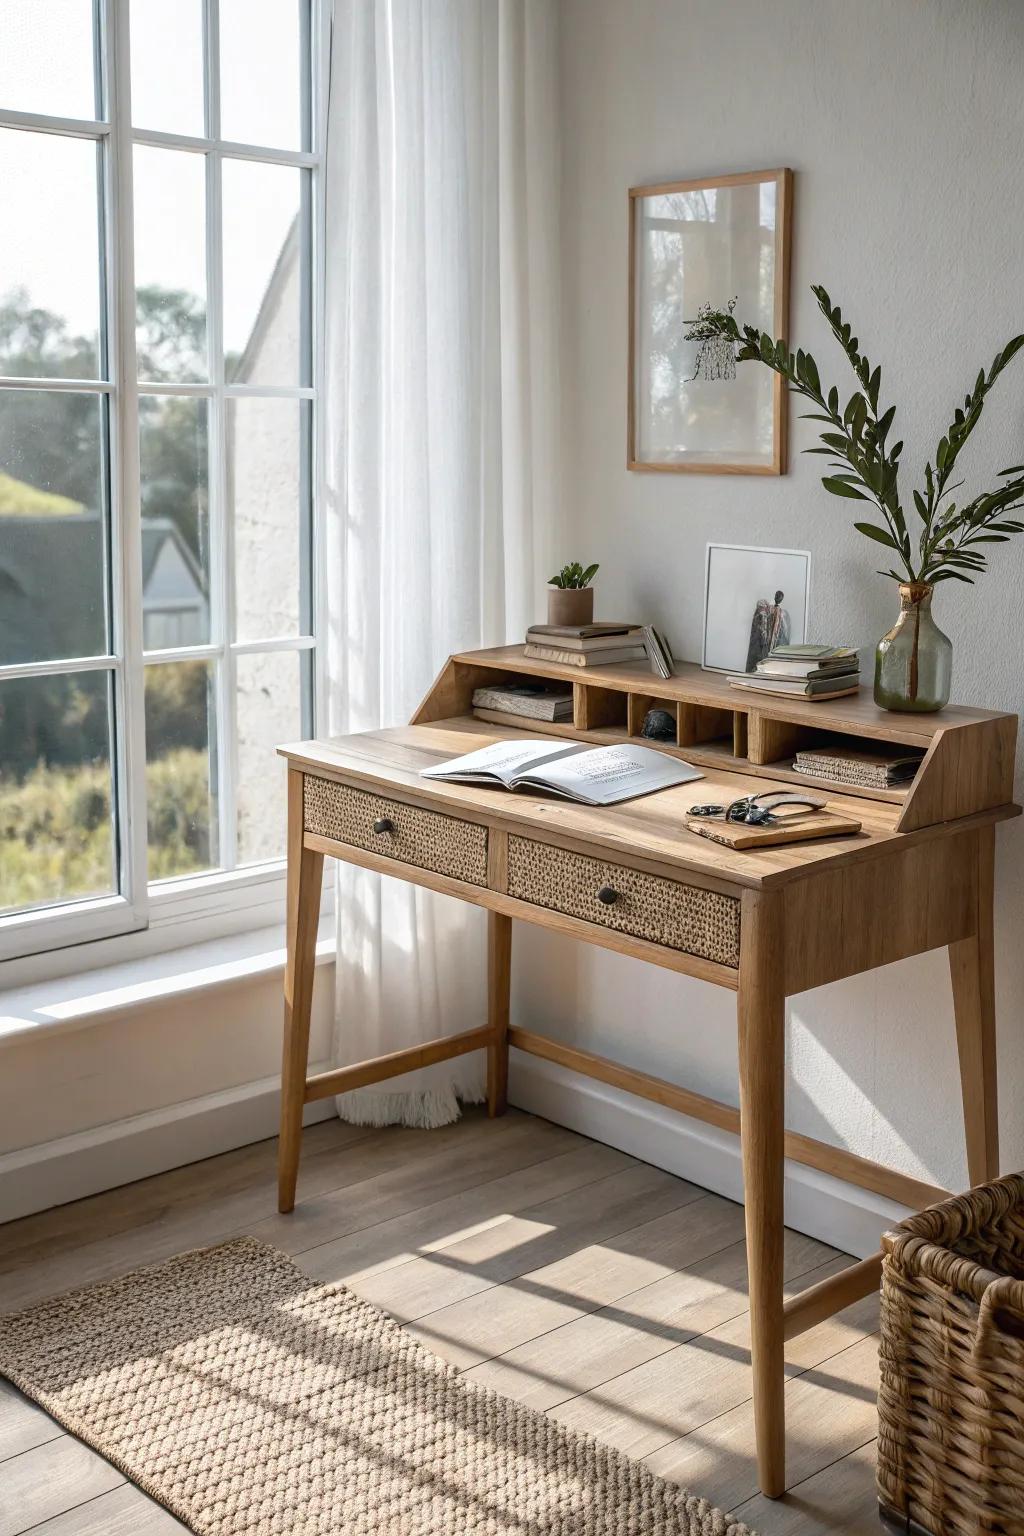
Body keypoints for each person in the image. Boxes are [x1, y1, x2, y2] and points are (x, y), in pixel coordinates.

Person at [745, 589, 789, 671]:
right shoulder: (765, 610)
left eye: (779, 597)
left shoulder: (782, 613)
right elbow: (759, 628)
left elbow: (784, 633)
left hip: (772, 645)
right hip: (761, 644)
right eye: (777, 596)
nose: (777, 598)